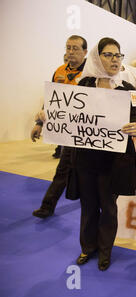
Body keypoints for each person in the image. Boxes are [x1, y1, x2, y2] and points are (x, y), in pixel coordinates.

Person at [64, 37, 136, 271]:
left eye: (118, 55)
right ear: (97, 57)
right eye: (109, 55)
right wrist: (46, 116)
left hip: (114, 161)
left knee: (108, 206)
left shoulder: (128, 89)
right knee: (88, 206)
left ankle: (105, 251)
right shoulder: (84, 85)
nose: (115, 60)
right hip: (86, 159)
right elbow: (69, 113)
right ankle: (88, 247)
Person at [31, 35, 88, 219]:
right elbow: (50, 100)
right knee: (63, 169)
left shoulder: (92, 73)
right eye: (68, 47)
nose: (70, 52)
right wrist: (39, 123)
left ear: (85, 52)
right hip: (68, 135)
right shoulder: (59, 72)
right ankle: (47, 206)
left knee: (93, 175)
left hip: (89, 133)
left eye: (75, 48)